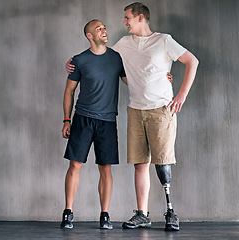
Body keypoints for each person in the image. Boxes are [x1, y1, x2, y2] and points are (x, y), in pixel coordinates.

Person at [66, 2, 199, 231]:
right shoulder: (123, 45)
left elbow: (192, 61)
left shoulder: (163, 40)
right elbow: (101, 55)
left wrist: (180, 95)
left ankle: (170, 211)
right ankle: (142, 214)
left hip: (160, 109)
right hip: (135, 110)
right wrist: (73, 63)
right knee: (140, 164)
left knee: (162, 162)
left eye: (127, 18)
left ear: (140, 18)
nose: (124, 22)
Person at [60, 19, 127, 230]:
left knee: (105, 169)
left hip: (107, 121)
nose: (104, 30)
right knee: (74, 165)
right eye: (99, 28)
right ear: (90, 35)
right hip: (82, 118)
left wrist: (162, 77)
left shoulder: (117, 58)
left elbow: (134, 81)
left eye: (104, 27)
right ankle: (68, 212)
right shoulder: (79, 60)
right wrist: (66, 119)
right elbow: (69, 91)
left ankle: (105, 214)